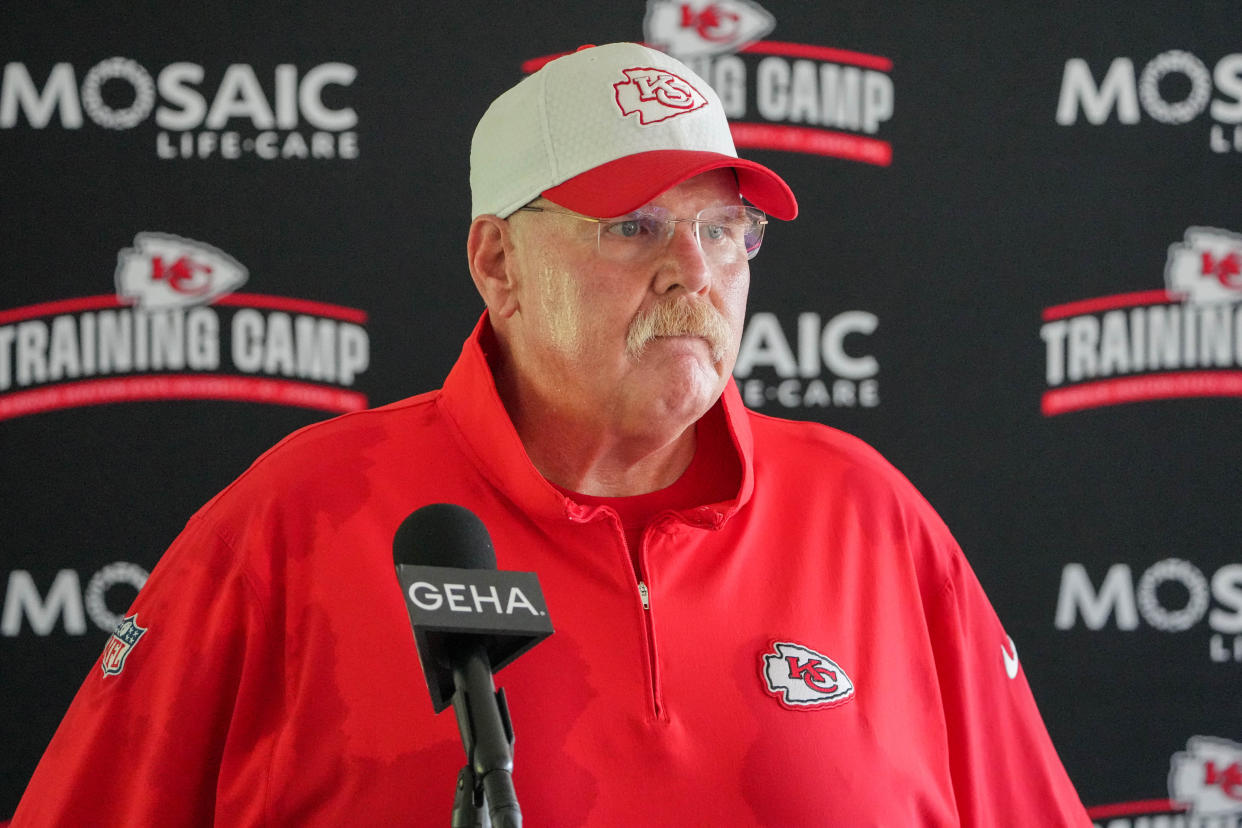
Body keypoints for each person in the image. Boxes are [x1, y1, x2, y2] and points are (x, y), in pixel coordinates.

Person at [12, 42, 1090, 826]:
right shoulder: (295, 519)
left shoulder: (869, 518)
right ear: (497, 264)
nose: (696, 271)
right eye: (635, 227)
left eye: (726, 229)